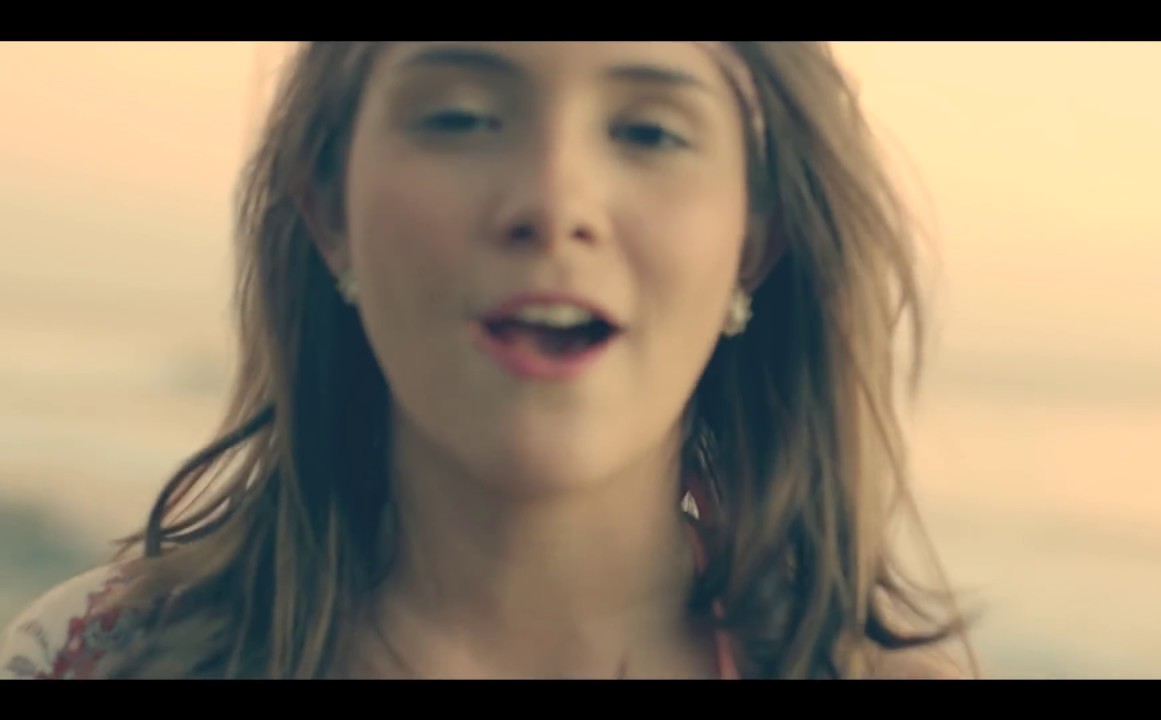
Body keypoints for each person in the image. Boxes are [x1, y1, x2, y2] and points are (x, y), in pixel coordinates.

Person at [0, 41, 976, 680]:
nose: (553, 202)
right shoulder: (90, 660)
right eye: (461, 117)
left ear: (753, 239)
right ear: (328, 207)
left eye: (648, 131)